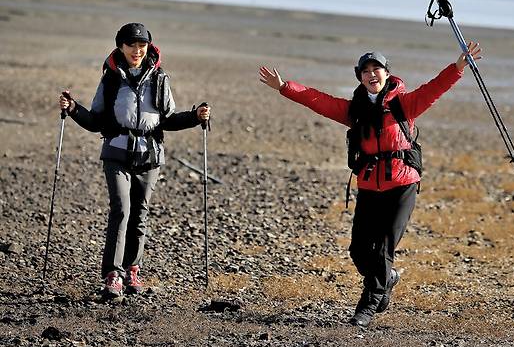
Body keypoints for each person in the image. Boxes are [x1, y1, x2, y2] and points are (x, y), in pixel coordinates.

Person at [259, 42, 481, 327]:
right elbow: (319, 100)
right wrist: (284, 87)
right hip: (369, 186)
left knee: (383, 248)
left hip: (402, 185)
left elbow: (434, 88)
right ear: (360, 77)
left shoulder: (404, 105)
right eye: (365, 71)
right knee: (358, 250)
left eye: (377, 68)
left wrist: (458, 67)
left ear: (387, 73)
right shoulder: (356, 110)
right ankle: (387, 278)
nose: (371, 74)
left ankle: (368, 303)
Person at [59, 22, 210, 299]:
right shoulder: (111, 79)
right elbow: (95, 122)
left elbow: (168, 120)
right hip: (116, 153)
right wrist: (73, 109)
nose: (137, 50)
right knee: (121, 211)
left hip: (150, 156)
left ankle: (132, 270)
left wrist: (195, 116)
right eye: (131, 45)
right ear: (121, 47)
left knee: (140, 214)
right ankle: (112, 275)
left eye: (142, 45)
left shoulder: (160, 78)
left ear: (148, 47)